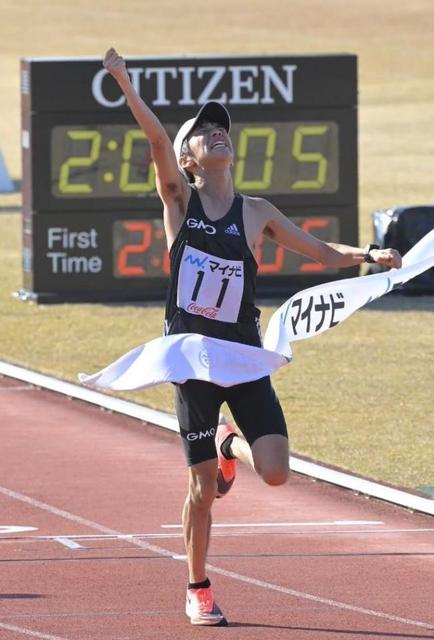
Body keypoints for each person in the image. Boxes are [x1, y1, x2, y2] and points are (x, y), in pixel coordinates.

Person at [103, 48, 402, 626]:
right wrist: (123, 82)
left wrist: (369, 255)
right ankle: (198, 585)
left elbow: (318, 251)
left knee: (277, 471)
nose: (217, 135)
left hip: (243, 354)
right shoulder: (179, 201)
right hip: (191, 355)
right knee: (200, 490)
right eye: (204, 133)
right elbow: (158, 140)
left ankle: (226, 445)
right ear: (189, 161)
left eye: (223, 130)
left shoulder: (257, 211)